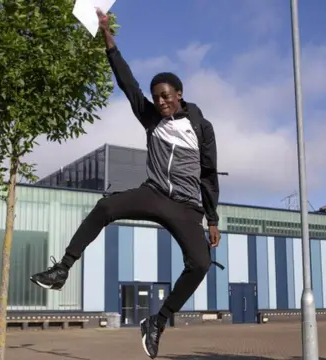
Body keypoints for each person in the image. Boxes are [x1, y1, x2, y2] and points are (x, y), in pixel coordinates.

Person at [29, 9, 221, 359]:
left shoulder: (201, 126)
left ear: (179, 94)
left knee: (201, 264)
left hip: (186, 207)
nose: (160, 102)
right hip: (154, 194)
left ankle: (158, 322)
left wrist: (212, 219)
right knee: (105, 206)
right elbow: (126, 82)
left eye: (166, 95)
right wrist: (107, 36)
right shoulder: (150, 117)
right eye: (156, 97)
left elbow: (209, 173)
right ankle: (62, 269)